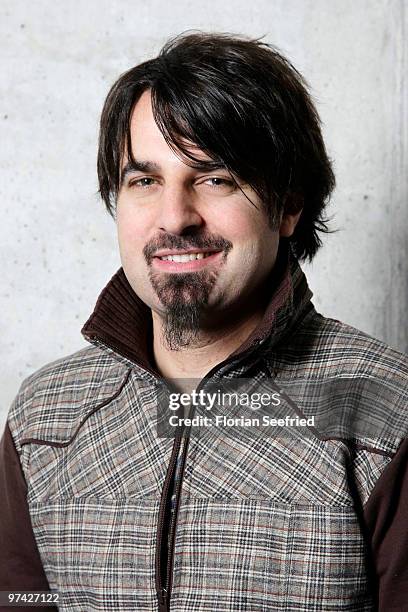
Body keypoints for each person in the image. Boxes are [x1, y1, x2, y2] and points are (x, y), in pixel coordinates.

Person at [1, 31, 407, 612]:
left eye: (215, 178)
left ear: (288, 204)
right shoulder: (45, 416)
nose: (175, 217)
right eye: (144, 181)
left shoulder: (387, 410)